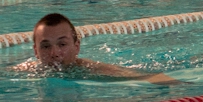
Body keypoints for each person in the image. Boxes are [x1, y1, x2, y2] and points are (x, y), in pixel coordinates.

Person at [14, 13, 182, 84]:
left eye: (62, 44)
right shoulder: (26, 71)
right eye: (45, 46)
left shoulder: (91, 69)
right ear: (35, 51)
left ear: (77, 47)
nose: (54, 53)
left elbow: (146, 76)